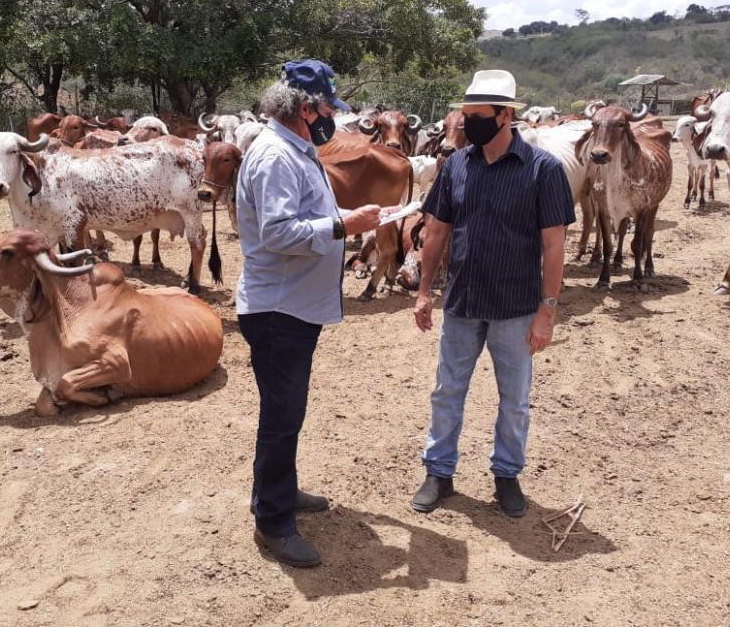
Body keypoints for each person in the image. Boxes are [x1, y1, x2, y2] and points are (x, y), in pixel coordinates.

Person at [410, 70, 576, 517]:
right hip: (463, 301)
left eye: (478, 116)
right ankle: (439, 472)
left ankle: (506, 474)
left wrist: (547, 312)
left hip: (516, 306)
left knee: (514, 400)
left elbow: (554, 245)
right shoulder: (456, 166)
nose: (469, 125)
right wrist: (424, 291)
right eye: (466, 116)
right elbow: (437, 230)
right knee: (447, 391)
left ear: (505, 116)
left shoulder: (542, 170)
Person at [237, 58, 382, 567]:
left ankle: (279, 490)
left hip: (293, 306)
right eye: (327, 109)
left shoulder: (295, 150)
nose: (332, 118)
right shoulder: (277, 156)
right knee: (281, 416)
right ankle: (274, 521)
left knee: (287, 412)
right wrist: (343, 227)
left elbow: (306, 217)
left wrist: (346, 218)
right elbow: (279, 233)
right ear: (305, 108)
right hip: (279, 309)